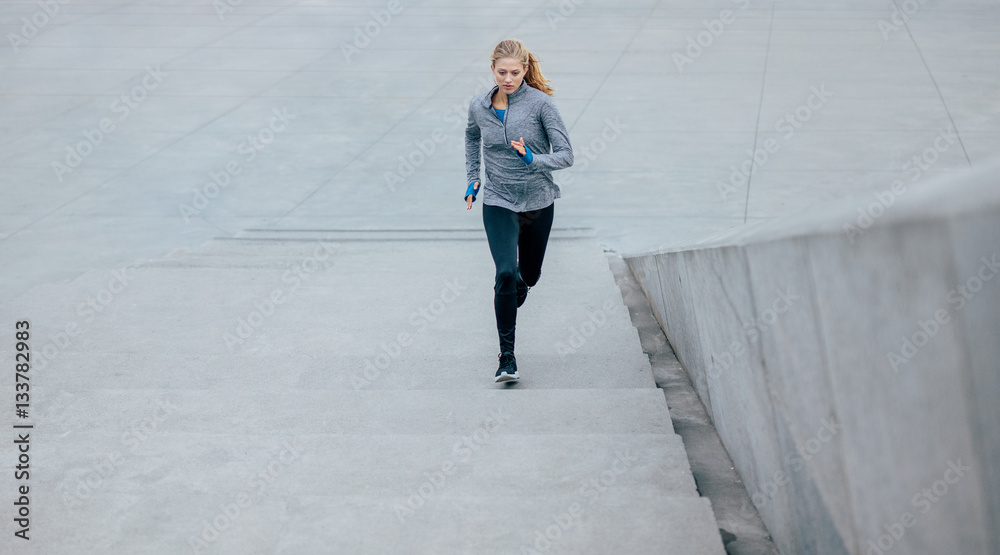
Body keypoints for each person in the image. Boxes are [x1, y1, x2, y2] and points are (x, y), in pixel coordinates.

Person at [464, 38, 574, 383]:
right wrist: (473, 179)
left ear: (525, 70)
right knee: (505, 274)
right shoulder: (479, 106)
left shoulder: (541, 105)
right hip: (497, 201)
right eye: (502, 72)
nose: (508, 79)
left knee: (529, 275)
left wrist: (532, 159)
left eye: (515, 72)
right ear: (492, 70)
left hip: (538, 203)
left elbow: (566, 155)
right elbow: (471, 137)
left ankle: (521, 286)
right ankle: (507, 357)